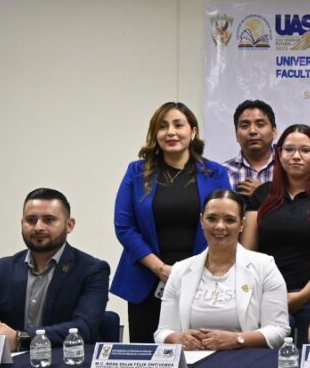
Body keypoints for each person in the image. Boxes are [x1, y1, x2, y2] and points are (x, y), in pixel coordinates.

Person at [112, 102, 232, 343]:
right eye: (163, 126)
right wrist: (161, 269)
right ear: (155, 134)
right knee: (148, 360)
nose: (171, 132)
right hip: (147, 278)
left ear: (193, 131)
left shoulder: (215, 173)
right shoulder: (136, 172)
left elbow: (225, 225)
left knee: (198, 351)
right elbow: (124, 227)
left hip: (202, 279)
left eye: (179, 125)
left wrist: (190, 271)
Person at [0, 188, 110, 350]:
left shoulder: (92, 270)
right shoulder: (1, 269)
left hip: (66, 365)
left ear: (69, 225)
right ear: (22, 224)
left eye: (49, 220)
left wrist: (21, 339)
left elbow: (84, 328)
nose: (38, 227)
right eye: (31, 220)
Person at [243, 124, 310, 344]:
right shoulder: (262, 194)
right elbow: (247, 252)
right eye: (289, 149)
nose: (296, 156)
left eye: (305, 150)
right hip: (266, 294)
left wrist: (302, 296)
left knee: (309, 366)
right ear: (279, 154)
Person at [154, 190, 291, 350]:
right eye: (211, 218)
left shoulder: (264, 266)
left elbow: (279, 330)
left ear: (242, 224)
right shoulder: (180, 270)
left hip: (244, 361)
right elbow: (162, 332)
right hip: (191, 362)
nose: (219, 226)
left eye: (229, 220)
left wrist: (237, 339)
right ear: (201, 221)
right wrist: (178, 337)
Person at [222, 99, 278, 197]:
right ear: (236, 135)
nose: (252, 131)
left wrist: (263, 193)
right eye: (244, 125)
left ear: (274, 132)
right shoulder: (223, 173)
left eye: (260, 124)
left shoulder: (289, 168)